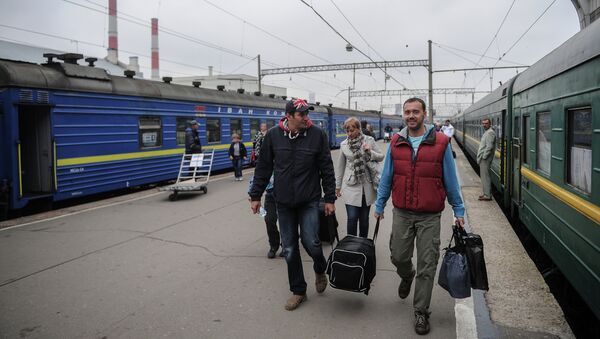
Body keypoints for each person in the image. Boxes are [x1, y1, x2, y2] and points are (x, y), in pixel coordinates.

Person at [374, 97, 465, 335]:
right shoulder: (396, 141)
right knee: (398, 256)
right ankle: (407, 274)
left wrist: (459, 209)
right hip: (402, 212)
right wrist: (380, 204)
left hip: (429, 216)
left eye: (416, 111)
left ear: (425, 114)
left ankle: (421, 311)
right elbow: (387, 177)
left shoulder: (442, 143)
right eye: (407, 112)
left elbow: (451, 180)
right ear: (403, 115)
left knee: (427, 265)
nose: (411, 116)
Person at [249, 98, 336, 311]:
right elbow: (263, 167)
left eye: (308, 114)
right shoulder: (273, 136)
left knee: (312, 243)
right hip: (283, 202)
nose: (307, 118)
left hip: (309, 200)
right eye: (302, 115)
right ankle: (298, 291)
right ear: (289, 116)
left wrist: (330, 198)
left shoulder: (317, 135)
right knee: (289, 248)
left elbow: (326, 167)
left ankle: (319, 267)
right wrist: (255, 195)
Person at [335, 117, 384, 237]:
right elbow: (340, 167)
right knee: (352, 218)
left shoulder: (369, 140)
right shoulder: (344, 144)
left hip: (367, 185)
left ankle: (362, 245)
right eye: (347, 131)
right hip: (351, 185)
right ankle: (351, 246)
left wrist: (369, 152)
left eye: (352, 130)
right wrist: (337, 186)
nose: (349, 134)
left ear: (358, 129)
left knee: (364, 219)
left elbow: (381, 156)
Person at [477, 118, 496, 201]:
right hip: (484, 158)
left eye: (486, 123)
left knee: (486, 177)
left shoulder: (490, 133)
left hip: (486, 159)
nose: (484, 125)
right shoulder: (487, 132)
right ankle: (485, 193)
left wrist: (484, 157)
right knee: (484, 177)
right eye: (483, 123)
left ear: (490, 124)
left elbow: (489, 146)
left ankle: (487, 195)